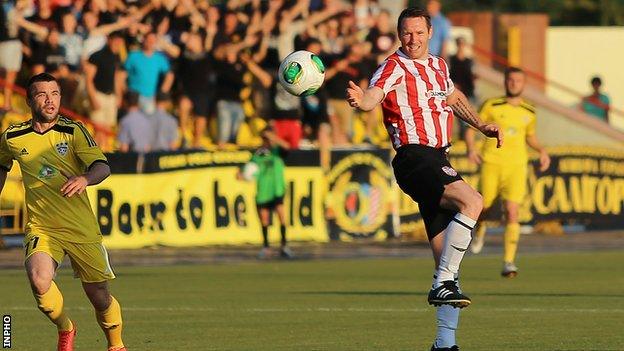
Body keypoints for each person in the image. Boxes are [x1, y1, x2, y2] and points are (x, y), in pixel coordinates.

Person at [345, 8, 502, 351]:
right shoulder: (392, 67)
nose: (412, 40)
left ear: (430, 32)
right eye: (405, 33)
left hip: (437, 158)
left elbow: (454, 97)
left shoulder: (438, 66)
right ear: (398, 35)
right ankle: (441, 283)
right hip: (415, 157)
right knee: (472, 201)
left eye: (418, 33)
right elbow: (375, 95)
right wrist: (363, 102)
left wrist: (481, 125)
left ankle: (444, 344)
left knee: (447, 258)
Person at [0, 73, 126, 351]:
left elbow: (102, 166)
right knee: (39, 281)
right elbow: (2, 165)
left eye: (55, 94)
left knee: (99, 295)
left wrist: (85, 179)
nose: (50, 100)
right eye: (42, 94)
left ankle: (115, 345)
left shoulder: (74, 131)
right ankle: (66, 328)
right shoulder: (12, 136)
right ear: (29, 99)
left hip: (80, 227)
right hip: (42, 227)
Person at [466, 66, 550, 277]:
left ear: (523, 84)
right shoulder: (491, 105)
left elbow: (530, 136)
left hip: (517, 166)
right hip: (492, 163)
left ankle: (508, 261)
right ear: (505, 82)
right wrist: (471, 148)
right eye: (510, 80)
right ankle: (480, 229)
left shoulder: (529, 112)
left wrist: (541, 150)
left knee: (513, 211)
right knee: (482, 207)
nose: (514, 84)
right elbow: (472, 127)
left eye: (518, 81)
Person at [240, 128, 292, 259]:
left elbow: (287, 146)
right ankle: (266, 247)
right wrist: (242, 175)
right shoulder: (257, 154)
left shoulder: (277, 151)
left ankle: (284, 246)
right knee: (264, 220)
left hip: (276, 190)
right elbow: (248, 170)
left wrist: (274, 138)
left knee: (281, 217)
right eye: (265, 138)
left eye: (268, 137)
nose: (266, 140)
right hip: (263, 191)